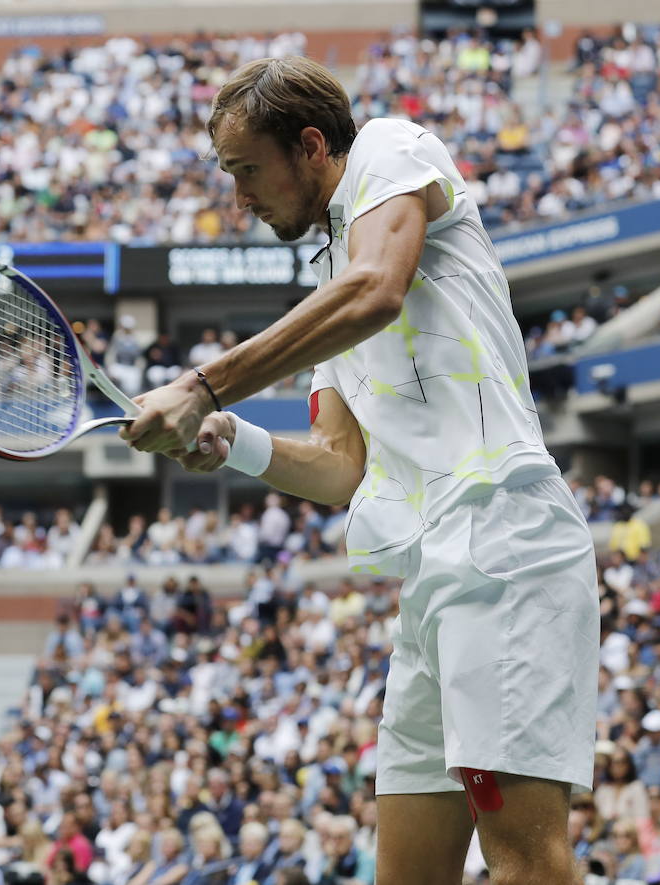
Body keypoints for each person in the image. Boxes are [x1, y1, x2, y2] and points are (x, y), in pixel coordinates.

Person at [121, 56, 598, 885]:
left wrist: (202, 385)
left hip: (504, 542)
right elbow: (344, 469)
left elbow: (379, 288)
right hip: (429, 583)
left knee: (523, 859)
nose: (239, 198)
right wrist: (229, 437)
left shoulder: (391, 149)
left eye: (246, 172)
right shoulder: (329, 281)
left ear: (311, 146)